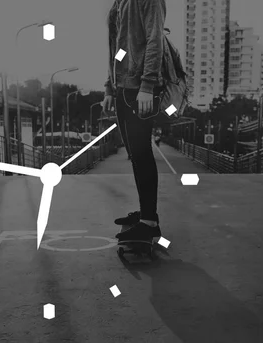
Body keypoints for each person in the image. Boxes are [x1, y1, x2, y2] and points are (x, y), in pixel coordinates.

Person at [102, 0, 166, 242]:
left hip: (140, 87)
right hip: (122, 87)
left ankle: (149, 221)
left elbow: (154, 39)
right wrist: (109, 86)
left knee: (141, 152)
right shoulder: (118, 3)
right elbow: (115, 48)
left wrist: (148, 85)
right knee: (134, 153)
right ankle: (146, 214)